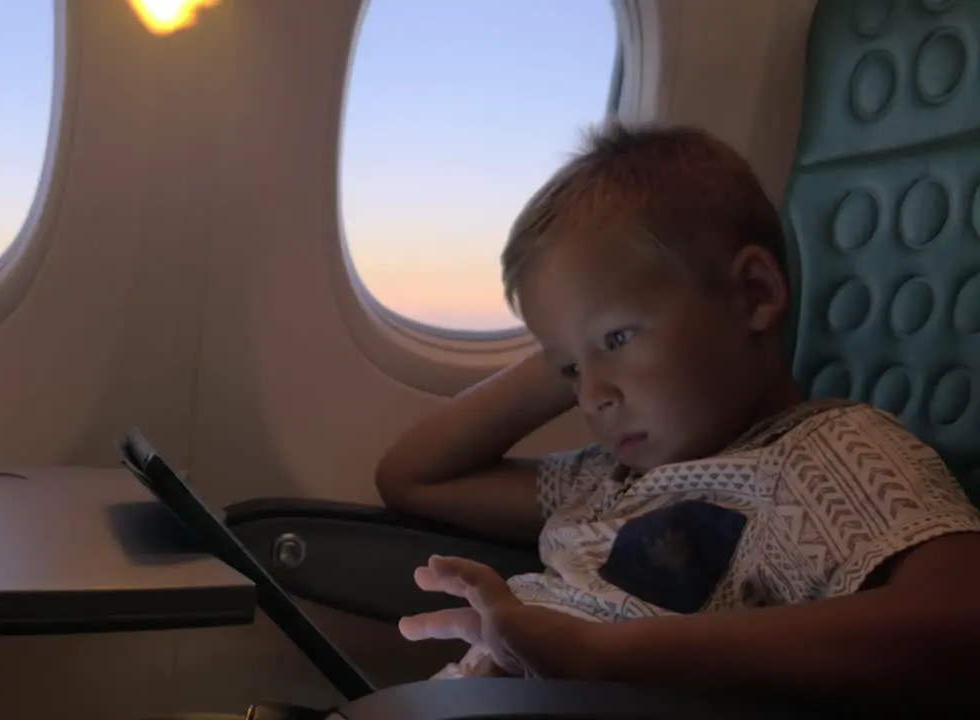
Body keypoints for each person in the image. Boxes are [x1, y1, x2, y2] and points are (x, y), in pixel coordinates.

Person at [374, 121, 980, 705]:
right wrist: (577, 341)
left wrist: (600, 655)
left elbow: (960, 616)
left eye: (618, 339)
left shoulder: (829, 455)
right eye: (570, 374)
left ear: (755, 294)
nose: (591, 398)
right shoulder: (604, 478)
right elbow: (414, 477)